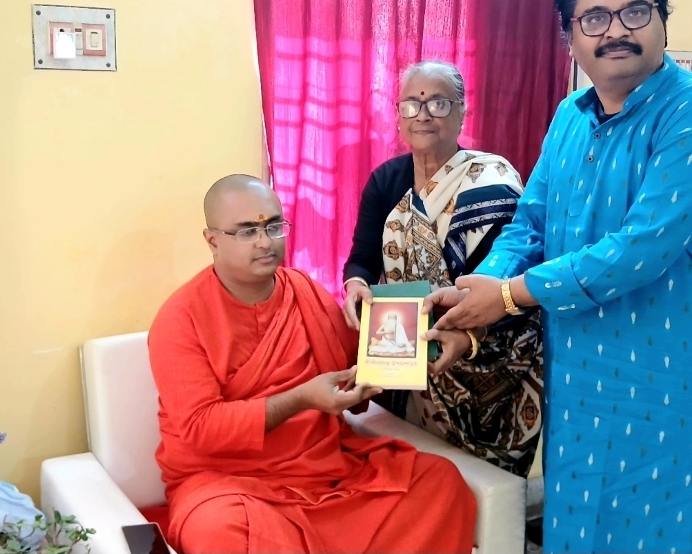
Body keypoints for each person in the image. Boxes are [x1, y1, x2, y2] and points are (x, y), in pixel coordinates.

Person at [428, 0, 692, 554]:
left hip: (675, 388)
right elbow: (530, 224)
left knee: (663, 535)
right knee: (578, 529)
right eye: (595, 18)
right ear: (570, 38)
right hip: (581, 382)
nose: (616, 31)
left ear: (662, 19)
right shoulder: (569, 117)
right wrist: (471, 305)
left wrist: (505, 296)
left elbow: (639, 250)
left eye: (635, 11)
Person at [148, 174, 477, 554]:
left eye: (274, 226)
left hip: (325, 470)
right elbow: (201, 428)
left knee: (438, 481)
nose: (265, 241)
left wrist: (417, 345)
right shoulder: (181, 318)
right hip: (231, 485)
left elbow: (354, 363)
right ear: (212, 241)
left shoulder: (304, 291)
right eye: (247, 231)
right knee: (220, 533)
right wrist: (301, 399)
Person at [342, 60, 540, 476]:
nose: (423, 114)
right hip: (414, 353)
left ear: (462, 111)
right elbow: (362, 257)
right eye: (412, 104)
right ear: (398, 114)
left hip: (493, 357)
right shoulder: (385, 181)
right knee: (418, 474)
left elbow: (507, 277)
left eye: (438, 102)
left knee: (485, 487)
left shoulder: (490, 181)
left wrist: (468, 336)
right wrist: (356, 284)